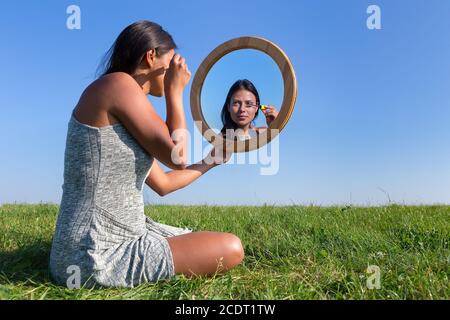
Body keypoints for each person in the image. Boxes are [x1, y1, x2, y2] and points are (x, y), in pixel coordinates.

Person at [49, 20, 242, 288]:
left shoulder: (127, 106)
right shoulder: (118, 84)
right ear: (151, 57)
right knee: (231, 247)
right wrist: (175, 92)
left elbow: (163, 184)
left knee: (201, 239)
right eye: (172, 62)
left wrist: (210, 162)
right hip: (94, 251)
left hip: (124, 234)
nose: (178, 70)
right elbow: (177, 156)